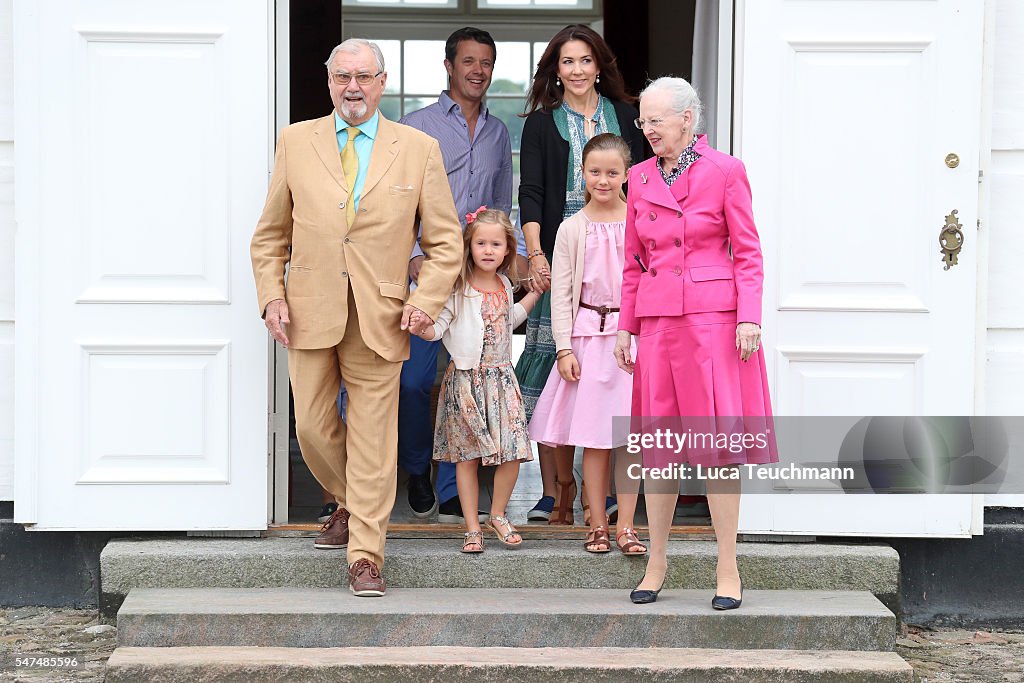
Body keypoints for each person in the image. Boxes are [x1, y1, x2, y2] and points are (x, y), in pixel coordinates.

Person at [250, 39, 463, 597]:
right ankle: (350, 500)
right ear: (328, 83)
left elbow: (445, 243)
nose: (353, 87)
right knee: (313, 427)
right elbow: (270, 234)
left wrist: (427, 299)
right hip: (308, 311)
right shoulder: (296, 141)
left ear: (382, 81)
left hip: (385, 316)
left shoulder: (418, 148)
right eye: (343, 76)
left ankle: (365, 552)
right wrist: (272, 294)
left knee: (373, 436)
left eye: (363, 77)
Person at [614, 77, 777, 607]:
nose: (648, 130)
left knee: (717, 449)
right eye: (644, 121)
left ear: (688, 119)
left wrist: (748, 318)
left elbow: (748, 252)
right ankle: (655, 562)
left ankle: (727, 568)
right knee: (658, 447)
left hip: (714, 322)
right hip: (659, 321)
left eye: (656, 120)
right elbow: (633, 260)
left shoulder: (726, 171)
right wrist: (625, 325)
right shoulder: (637, 178)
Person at [516, 23, 647, 525]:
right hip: (563, 251)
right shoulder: (541, 123)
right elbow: (532, 193)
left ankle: (614, 494)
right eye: (567, 62)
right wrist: (536, 255)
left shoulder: (629, 117)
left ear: (599, 66)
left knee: (615, 372)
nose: (576, 70)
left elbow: (647, 184)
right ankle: (557, 491)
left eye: (585, 61)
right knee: (554, 368)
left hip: (618, 253)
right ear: (556, 69)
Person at [398, 27, 520, 524]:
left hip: (477, 279)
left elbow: (503, 205)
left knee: (467, 378)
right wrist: (409, 251)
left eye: (485, 62)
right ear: (449, 65)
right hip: (428, 272)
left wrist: (514, 262)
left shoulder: (498, 133)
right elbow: (398, 200)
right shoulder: (415, 125)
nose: (477, 71)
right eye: (468, 61)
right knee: (414, 381)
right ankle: (416, 469)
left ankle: (452, 484)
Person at [529, 133, 646, 556]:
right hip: (586, 338)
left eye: (612, 172)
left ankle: (627, 526)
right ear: (582, 173)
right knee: (595, 438)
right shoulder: (571, 228)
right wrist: (563, 348)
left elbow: (647, 281)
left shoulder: (639, 220)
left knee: (629, 437)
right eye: (594, 171)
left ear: (626, 175)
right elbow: (560, 293)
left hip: (631, 337)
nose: (603, 179)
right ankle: (597, 523)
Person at [412, 208, 540, 553]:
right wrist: (424, 329)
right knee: (466, 457)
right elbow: (440, 326)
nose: (488, 250)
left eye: (496, 244)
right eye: (481, 243)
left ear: (507, 250)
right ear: (469, 247)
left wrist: (534, 295)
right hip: (466, 382)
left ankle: (497, 514)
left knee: (513, 451)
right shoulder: (459, 288)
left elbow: (508, 319)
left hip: (501, 379)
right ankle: (472, 527)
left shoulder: (505, 284)